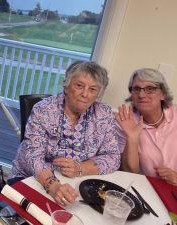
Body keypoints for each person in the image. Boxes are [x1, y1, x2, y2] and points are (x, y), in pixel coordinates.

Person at [9, 61, 123, 206]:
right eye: (79, 86)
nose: (85, 94)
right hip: (33, 179)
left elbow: (113, 157)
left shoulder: (103, 113)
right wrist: (53, 185)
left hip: (79, 182)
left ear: (98, 94)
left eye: (93, 89)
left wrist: (80, 168)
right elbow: (33, 156)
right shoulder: (44, 110)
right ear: (66, 86)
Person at [116, 68, 177, 187]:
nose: (141, 95)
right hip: (153, 191)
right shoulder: (126, 123)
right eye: (136, 89)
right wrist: (132, 138)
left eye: (150, 89)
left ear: (163, 94)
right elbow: (129, 173)